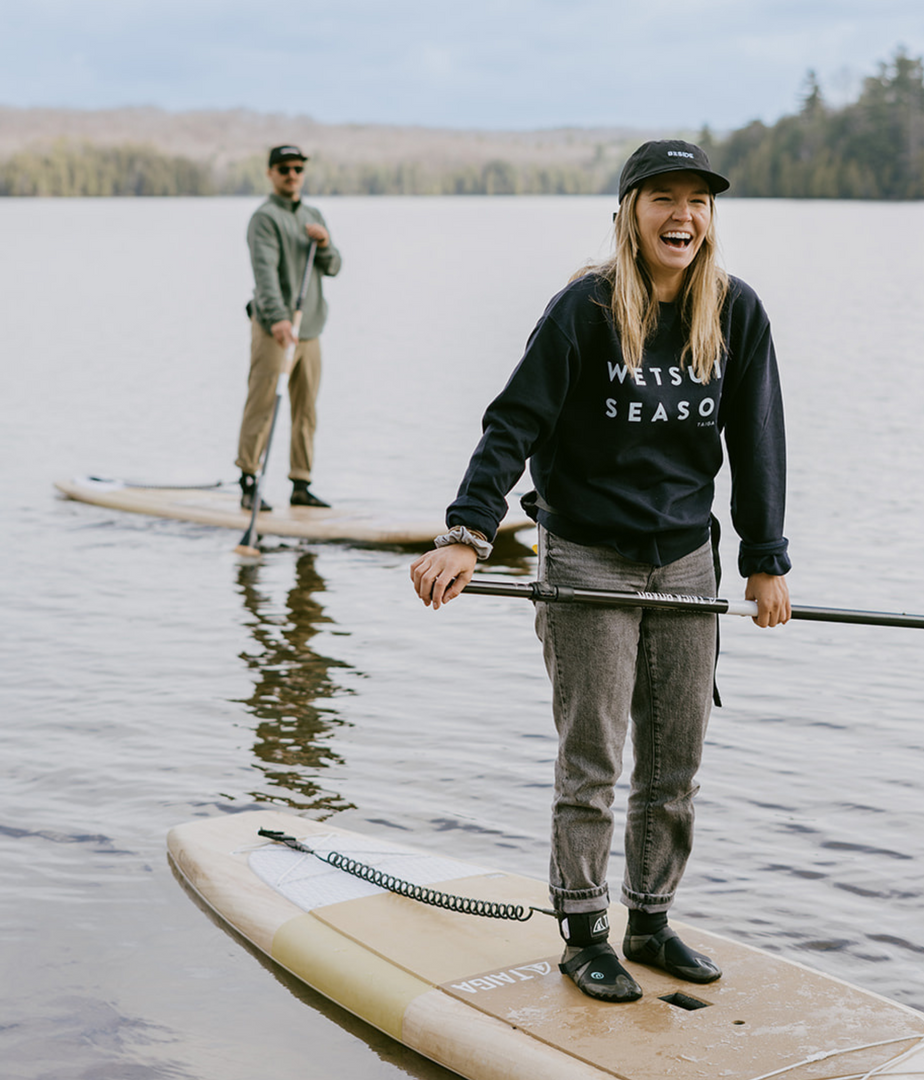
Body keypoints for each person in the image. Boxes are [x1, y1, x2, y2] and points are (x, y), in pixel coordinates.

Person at [410, 139, 791, 1004]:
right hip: (585, 556)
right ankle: (584, 931)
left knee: (675, 759)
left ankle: (650, 921)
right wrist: (467, 533)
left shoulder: (735, 312)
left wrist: (765, 561)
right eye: (664, 197)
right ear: (628, 211)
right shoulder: (583, 309)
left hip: (688, 562)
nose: (682, 216)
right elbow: (513, 423)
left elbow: (758, 441)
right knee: (593, 757)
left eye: (698, 200)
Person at [236, 145, 342, 511]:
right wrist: (278, 319)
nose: (292, 174)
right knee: (263, 403)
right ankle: (249, 480)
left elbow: (335, 266)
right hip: (273, 329)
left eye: (298, 168)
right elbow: (264, 275)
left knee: (306, 409)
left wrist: (324, 243)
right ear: (271, 173)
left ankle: (301, 483)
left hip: (310, 329)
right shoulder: (264, 218)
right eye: (284, 168)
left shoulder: (313, 215)